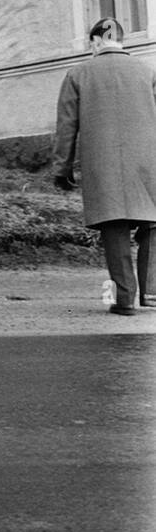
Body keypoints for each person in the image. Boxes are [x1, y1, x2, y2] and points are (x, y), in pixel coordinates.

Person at [52, 17, 156, 315]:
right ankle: (151, 294)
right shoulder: (147, 71)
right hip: (148, 162)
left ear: (96, 42)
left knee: (115, 227)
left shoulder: (78, 74)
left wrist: (62, 169)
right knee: (152, 222)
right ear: (121, 41)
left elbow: (66, 127)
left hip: (103, 164)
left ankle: (123, 300)